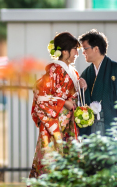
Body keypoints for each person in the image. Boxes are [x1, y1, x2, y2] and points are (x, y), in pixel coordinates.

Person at [29, 31, 82, 178]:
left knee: (67, 154)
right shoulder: (54, 70)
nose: (77, 53)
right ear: (65, 51)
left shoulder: (73, 72)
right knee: (52, 155)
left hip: (69, 121)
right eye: (74, 49)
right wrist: (64, 102)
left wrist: (81, 86)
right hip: (56, 121)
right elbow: (41, 95)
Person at [77, 29, 117, 136]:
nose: (83, 52)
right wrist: (84, 90)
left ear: (96, 49)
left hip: (114, 129)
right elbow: (81, 104)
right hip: (92, 131)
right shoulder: (86, 74)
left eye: (85, 49)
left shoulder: (116, 70)